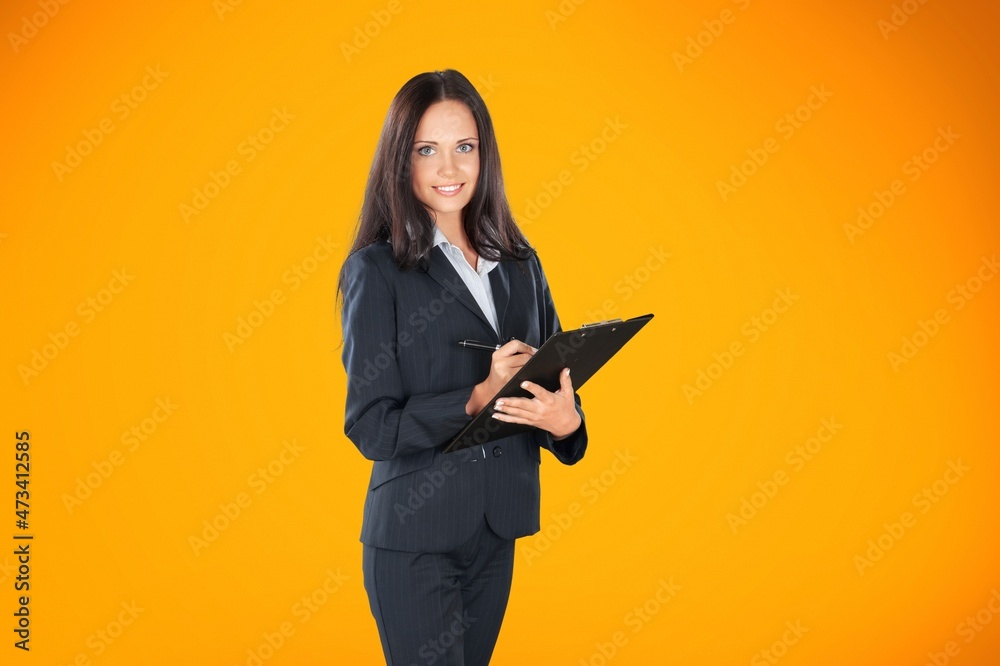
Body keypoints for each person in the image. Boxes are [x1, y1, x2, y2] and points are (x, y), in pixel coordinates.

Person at [338, 69, 588, 665]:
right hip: (414, 537)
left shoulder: (522, 265)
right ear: (402, 160)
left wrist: (565, 424)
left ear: (485, 155)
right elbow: (371, 427)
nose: (449, 169)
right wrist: (476, 396)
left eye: (464, 148)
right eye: (427, 150)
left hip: (496, 528)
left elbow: (554, 382)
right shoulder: (376, 272)